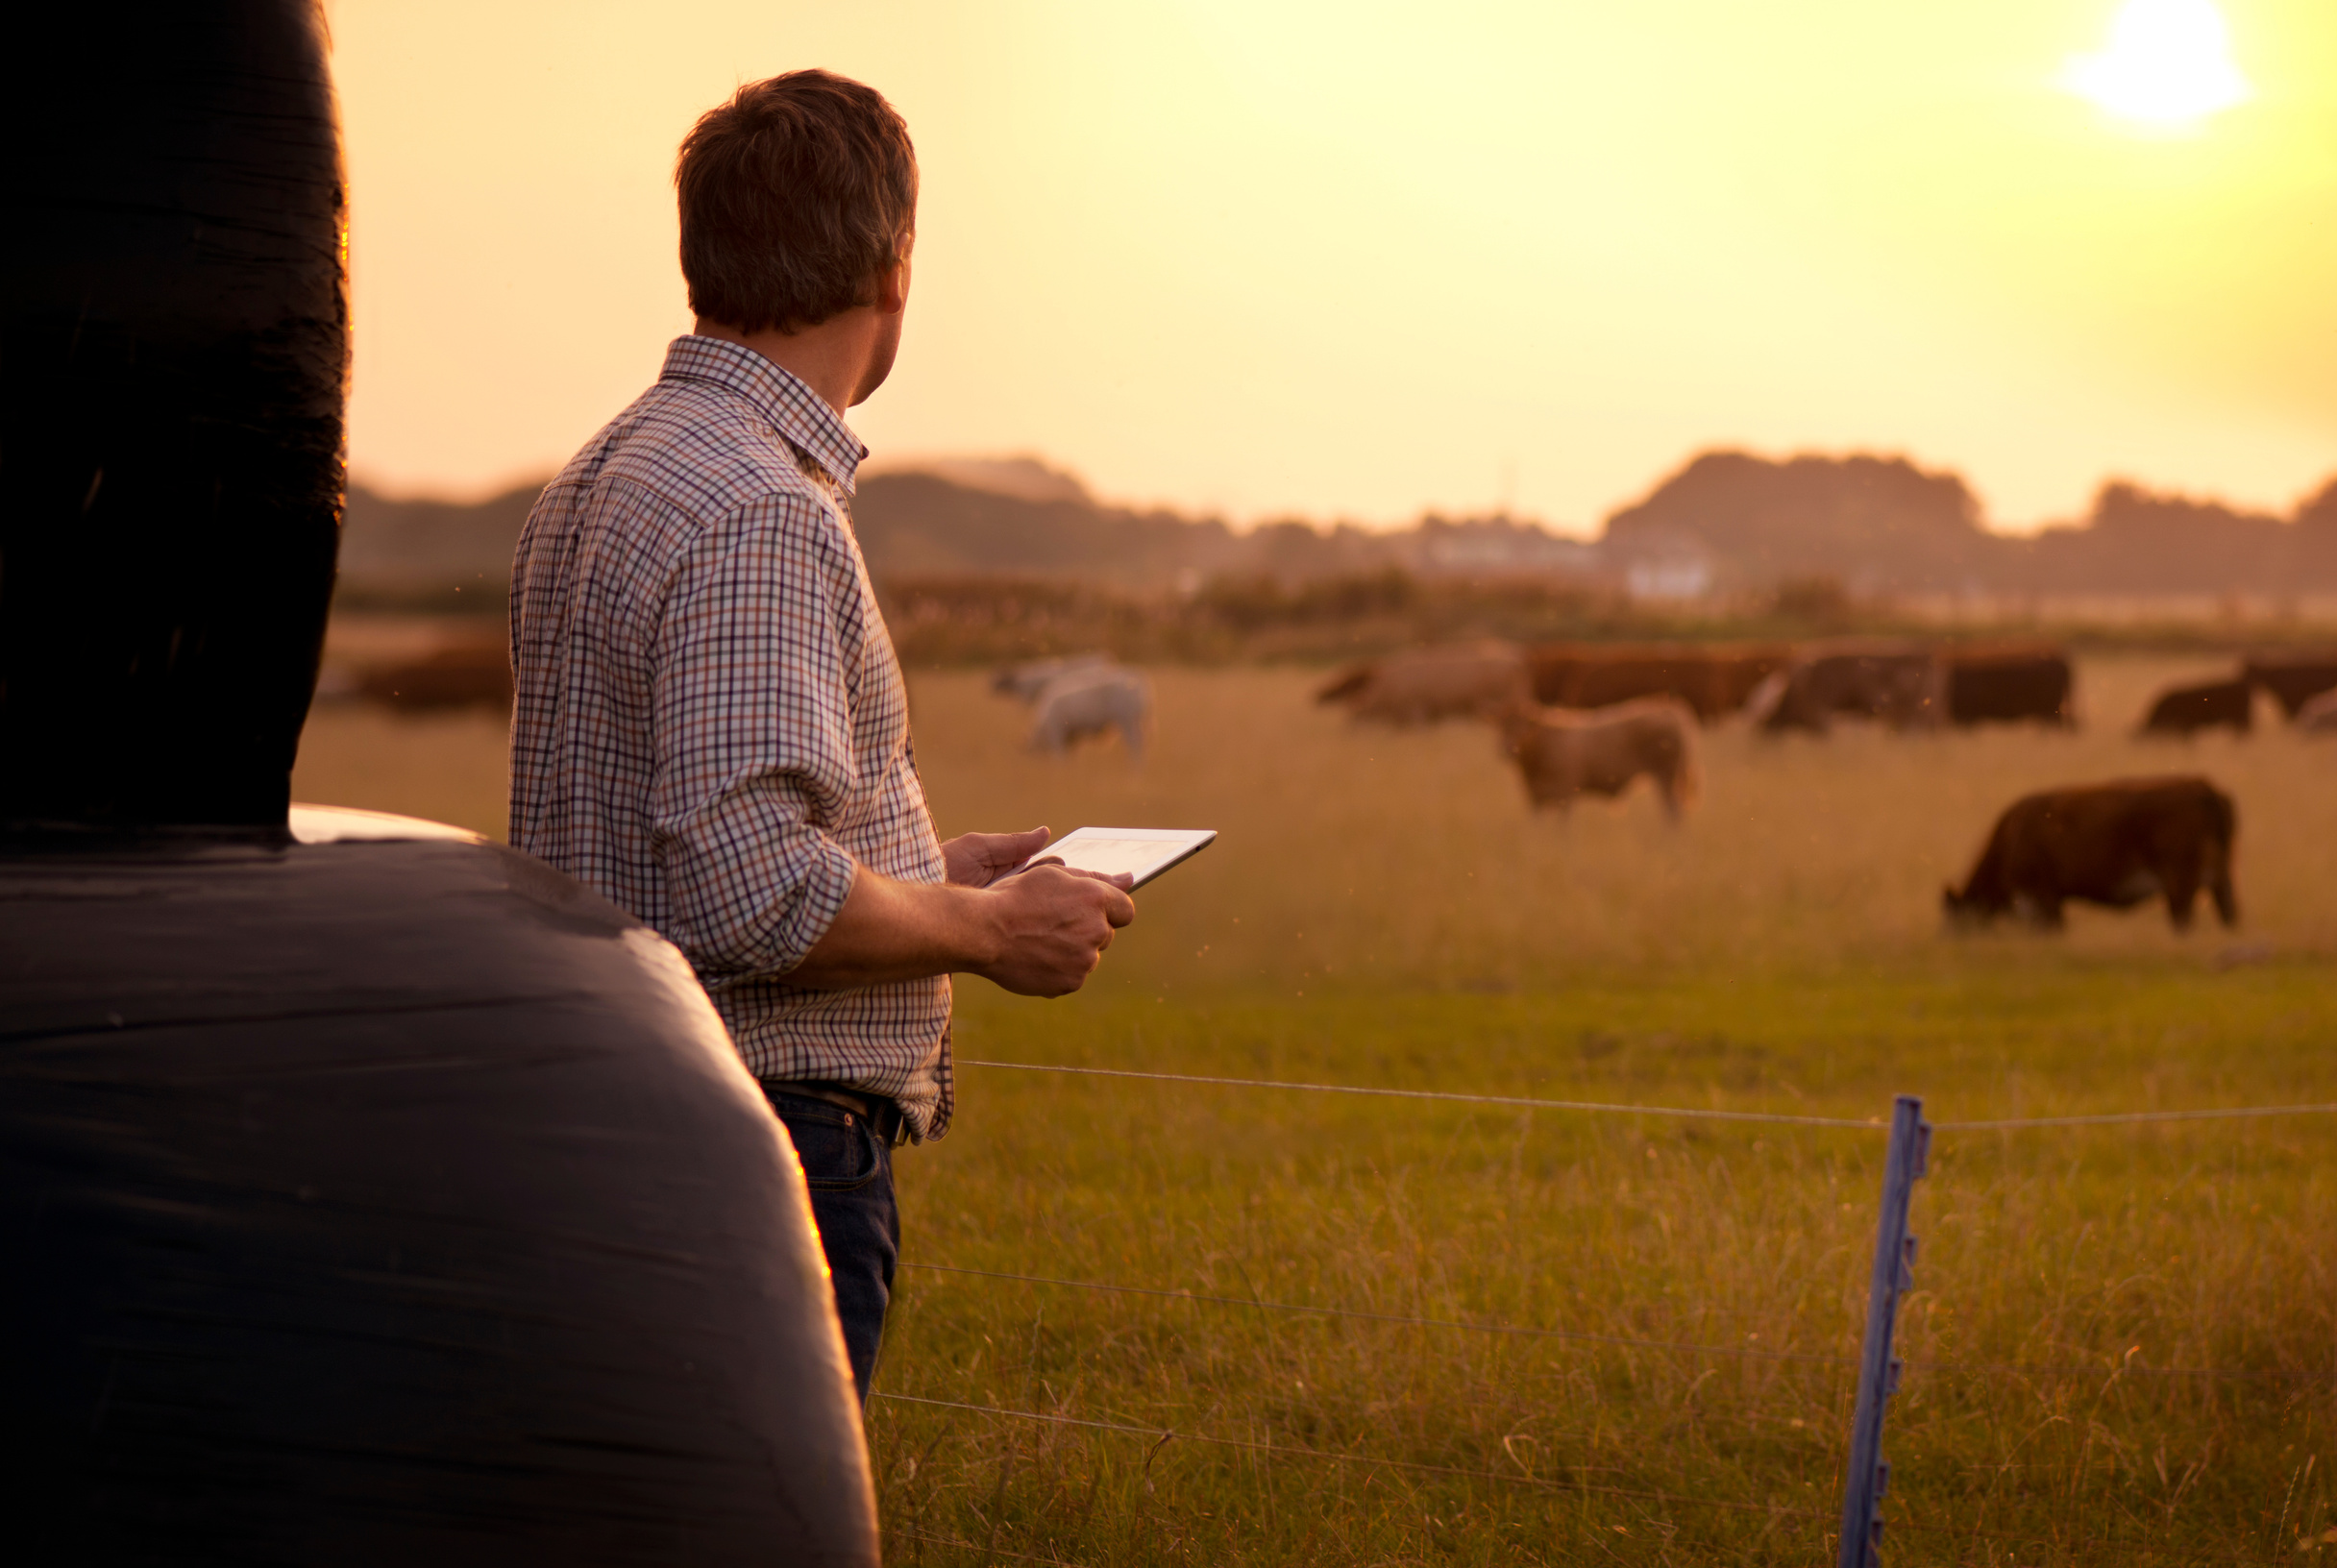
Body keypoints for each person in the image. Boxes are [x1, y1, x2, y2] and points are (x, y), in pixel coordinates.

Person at [507, 69, 1136, 1403]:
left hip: (610, 1118)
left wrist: (921, 876)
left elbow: (675, 845)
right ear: (894, 267)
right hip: (759, 1146)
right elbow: (751, 892)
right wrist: (990, 928)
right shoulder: (759, 509)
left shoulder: (604, 474)